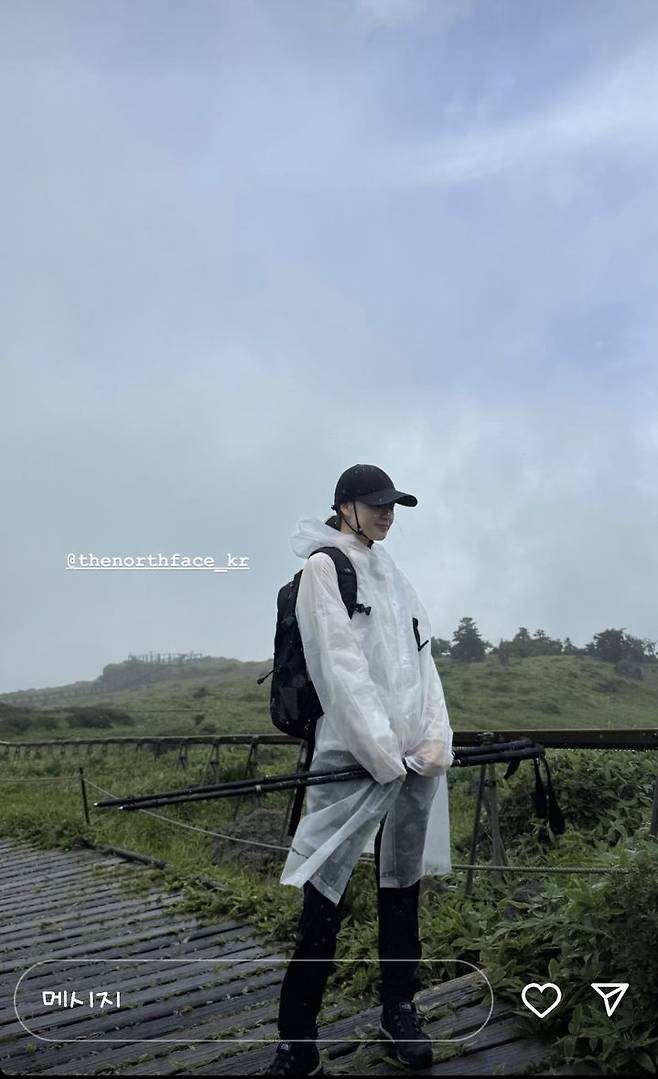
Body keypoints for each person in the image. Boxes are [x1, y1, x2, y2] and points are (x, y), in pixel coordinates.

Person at [265, 464, 454, 1077]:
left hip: (408, 760)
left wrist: (433, 740)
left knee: (401, 887)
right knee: (325, 895)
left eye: (393, 506)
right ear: (344, 506)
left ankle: (400, 1010)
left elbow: (424, 666)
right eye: (376, 505)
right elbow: (338, 667)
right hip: (352, 758)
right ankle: (298, 1041)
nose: (387, 515)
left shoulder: (395, 575)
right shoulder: (326, 568)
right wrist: (379, 753)